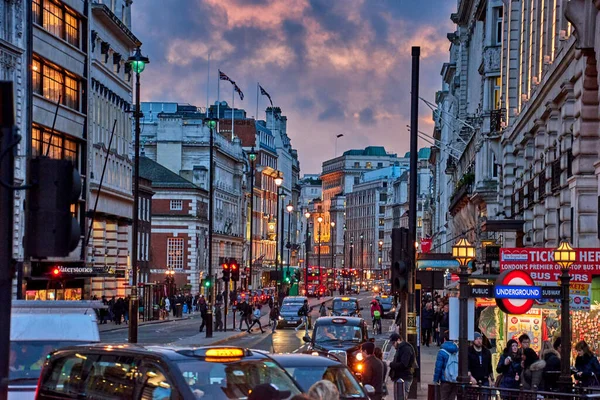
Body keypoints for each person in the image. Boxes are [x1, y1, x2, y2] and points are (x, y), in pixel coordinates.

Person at [388, 332, 416, 398]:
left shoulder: (406, 349)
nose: (393, 345)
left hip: (405, 377)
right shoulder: (400, 348)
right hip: (399, 377)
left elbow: (403, 364)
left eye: (393, 343)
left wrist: (390, 364)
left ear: (398, 340)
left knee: (402, 396)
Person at [433, 334, 459, 400]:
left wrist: (436, 379)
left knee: (444, 397)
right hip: (455, 379)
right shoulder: (457, 350)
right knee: (452, 398)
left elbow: (438, 367)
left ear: (444, 339)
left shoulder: (442, 352)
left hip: (445, 380)